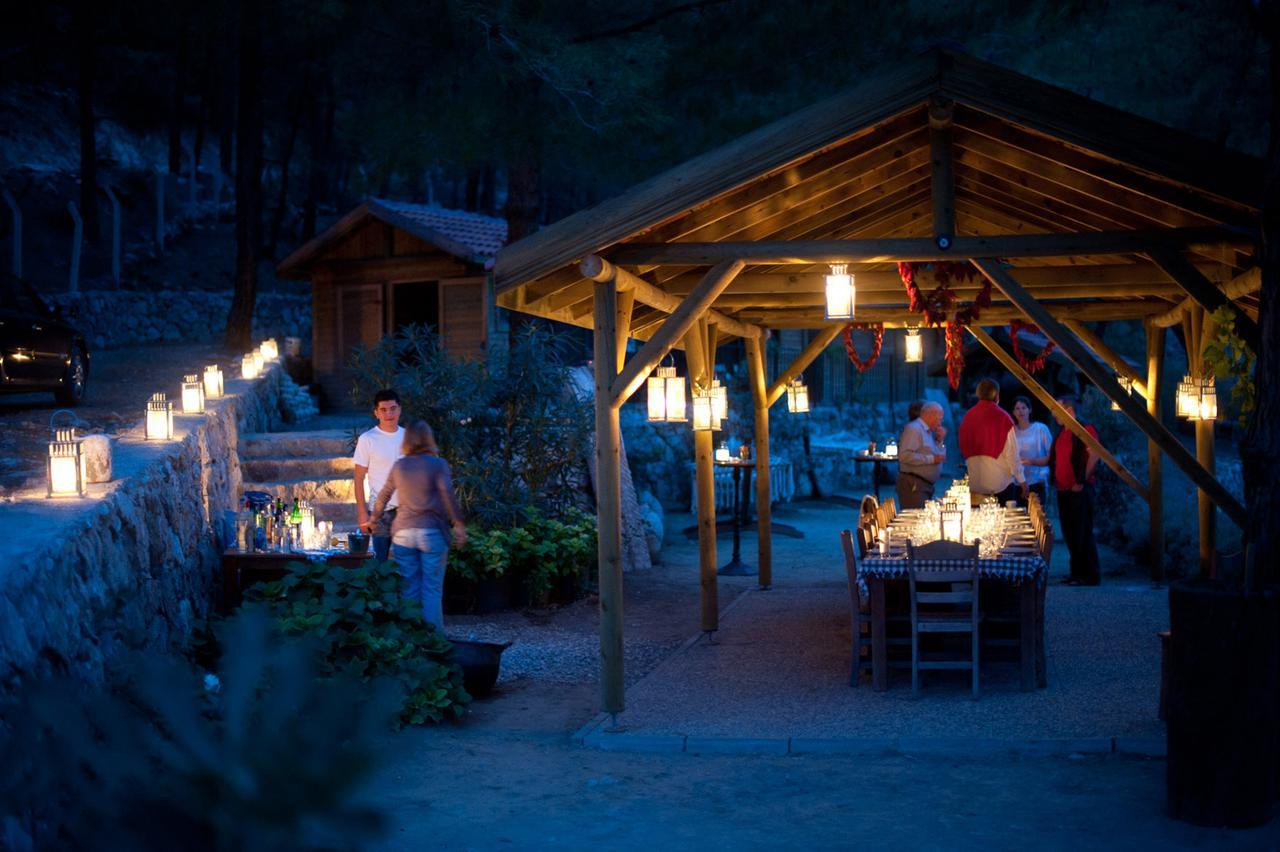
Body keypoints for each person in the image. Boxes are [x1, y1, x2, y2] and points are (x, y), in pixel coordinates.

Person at [364, 420, 467, 628]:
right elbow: (447, 494)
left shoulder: (400, 466)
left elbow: (383, 495)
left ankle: (411, 643)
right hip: (432, 531)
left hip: (403, 532)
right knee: (431, 589)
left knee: (409, 588)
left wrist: (373, 519)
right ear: (429, 439)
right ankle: (434, 645)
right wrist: (458, 524)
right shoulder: (438, 465)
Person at [1052, 394, 1101, 586]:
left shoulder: (1083, 428)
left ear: (1068, 409)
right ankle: (1076, 572)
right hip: (1064, 489)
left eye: (1057, 409)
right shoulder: (1063, 431)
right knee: (1071, 532)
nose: (1054, 413)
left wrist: (1081, 480)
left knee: (1082, 531)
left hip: (1079, 489)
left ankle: (1089, 575)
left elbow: (1095, 454)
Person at [354, 389, 404, 563]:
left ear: (400, 410)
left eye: (393, 408)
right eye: (383, 409)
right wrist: (362, 513)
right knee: (379, 562)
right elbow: (359, 478)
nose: (388, 413)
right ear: (376, 413)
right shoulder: (368, 439)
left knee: (408, 562)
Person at [959, 378, 1027, 504]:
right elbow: (1012, 455)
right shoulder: (1003, 418)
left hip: (975, 486)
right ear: (997, 396)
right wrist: (1022, 482)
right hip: (1000, 486)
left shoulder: (967, 417)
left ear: (978, 394)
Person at [896, 401, 947, 509]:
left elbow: (939, 457)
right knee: (915, 521)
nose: (940, 422)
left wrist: (939, 441)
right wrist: (931, 459)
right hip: (913, 485)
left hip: (924, 486)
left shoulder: (927, 432)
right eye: (939, 418)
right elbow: (904, 456)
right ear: (930, 415)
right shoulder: (914, 429)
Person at [1012, 396, 1052, 507]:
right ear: (1013, 412)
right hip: (1018, 483)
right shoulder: (1012, 432)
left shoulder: (1040, 429)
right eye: (1017, 408)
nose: (1021, 411)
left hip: (1037, 482)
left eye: (1024, 408)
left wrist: (1032, 462)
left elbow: (1051, 455)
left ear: (1030, 410)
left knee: (1037, 518)